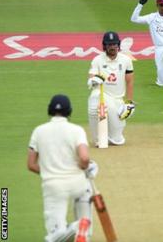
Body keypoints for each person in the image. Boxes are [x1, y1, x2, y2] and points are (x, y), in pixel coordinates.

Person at [27, 94, 98, 242]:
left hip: (53, 187)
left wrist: (49, 170)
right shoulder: (77, 130)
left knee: (54, 237)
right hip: (77, 183)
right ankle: (84, 230)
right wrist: (83, 168)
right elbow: (85, 158)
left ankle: (75, 228)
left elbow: (31, 164)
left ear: (50, 110)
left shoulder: (38, 131)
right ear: (69, 111)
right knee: (86, 191)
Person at [87, 31, 135, 146]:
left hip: (118, 99)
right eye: (109, 44)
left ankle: (110, 134)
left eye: (114, 44)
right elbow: (91, 78)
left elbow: (129, 82)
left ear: (118, 45)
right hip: (103, 95)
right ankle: (98, 138)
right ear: (105, 45)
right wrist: (94, 80)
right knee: (95, 96)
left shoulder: (126, 60)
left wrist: (129, 102)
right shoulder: (97, 60)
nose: (112, 47)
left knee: (117, 140)